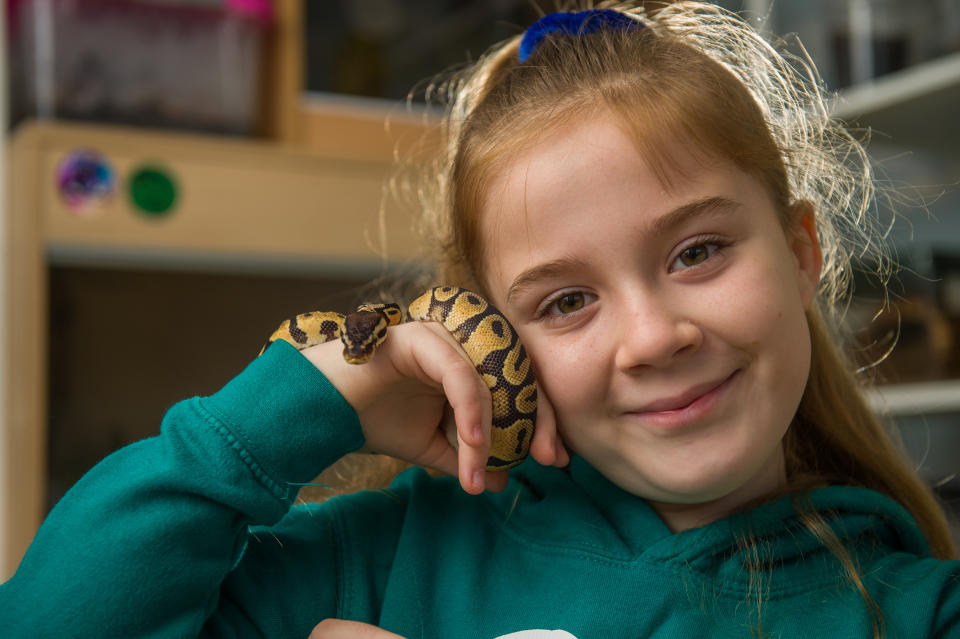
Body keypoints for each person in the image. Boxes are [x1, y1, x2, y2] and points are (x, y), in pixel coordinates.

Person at [2, 3, 958, 638]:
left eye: (697, 251)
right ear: (491, 339)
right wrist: (298, 402)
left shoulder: (918, 610)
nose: (655, 334)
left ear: (799, 252)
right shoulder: (381, 558)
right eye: (566, 301)